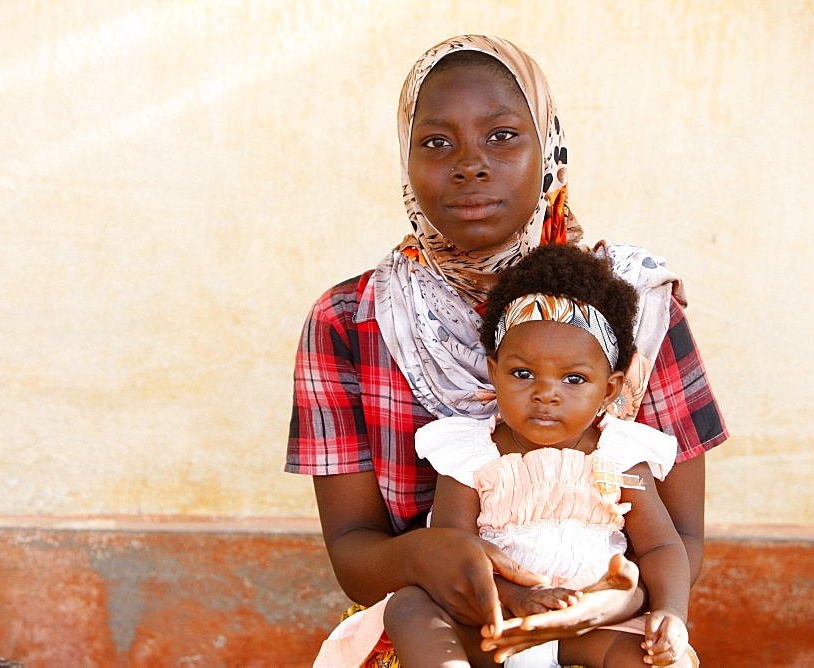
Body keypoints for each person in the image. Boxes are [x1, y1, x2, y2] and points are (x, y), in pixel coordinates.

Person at [288, 34, 727, 665]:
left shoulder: (638, 309)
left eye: (502, 136)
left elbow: (678, 538)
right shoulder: (349, 321)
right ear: (406, 162)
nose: (470, 164)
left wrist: (610, 604)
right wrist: (428, 557)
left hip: (604, 628)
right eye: (437, 142)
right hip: (441, 631)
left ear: (548, 147)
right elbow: (356, 558)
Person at [378, 243, 698, 666]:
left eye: (573, 378)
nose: (546, 393)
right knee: (407, 607)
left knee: (648, 657)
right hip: (492, 621)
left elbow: (660, 546)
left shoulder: (622, 455)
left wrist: (672, 612)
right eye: (523, 373)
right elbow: (455, 550)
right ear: (494, 372)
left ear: (610, 389)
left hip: (590, 624)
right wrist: (515, 597)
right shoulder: (469, 454)